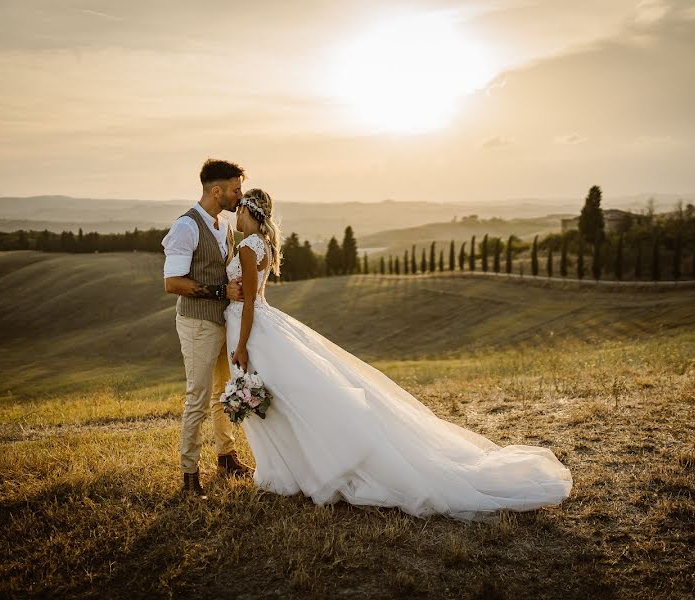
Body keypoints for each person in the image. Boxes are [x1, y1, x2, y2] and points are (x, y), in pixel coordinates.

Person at [224, 189, 573, 521]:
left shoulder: (249, 248)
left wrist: (241, 345)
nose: (233, 215)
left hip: (254, 330)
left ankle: (299, 469)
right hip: (264, 327)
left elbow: (251, 300)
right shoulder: (261, 244)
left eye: (237, 208)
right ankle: (290, 467)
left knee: (285, 399)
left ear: (247, 211)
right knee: (285, 399)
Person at [162, 159, 254, 499]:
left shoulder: (224, 225)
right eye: (235, 189)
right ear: (217, 191)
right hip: (197, 323)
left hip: (222, 322)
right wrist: (220, 291)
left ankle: (226, 457)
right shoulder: (185, 228)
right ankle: (189, 476)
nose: (239, 196)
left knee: (222, 393)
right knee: (198, 399)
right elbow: (172, 283)